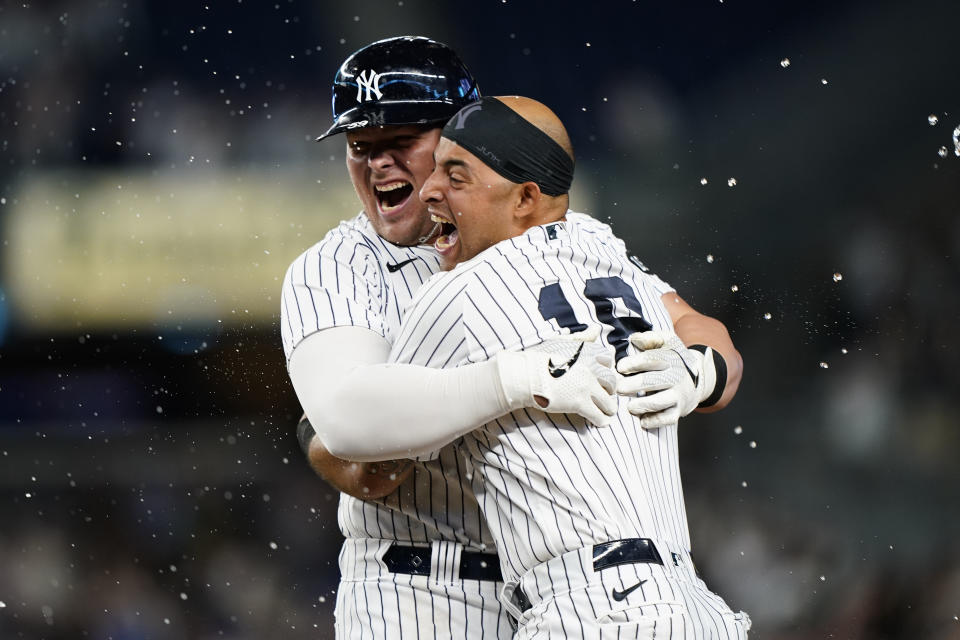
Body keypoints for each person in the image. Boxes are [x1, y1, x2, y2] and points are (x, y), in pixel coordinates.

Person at [281, 36, 619, 640]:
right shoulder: (334, 268)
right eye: (362, 146)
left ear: (461, 141)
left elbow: (691, 327)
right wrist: (512, 380)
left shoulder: (546, 229)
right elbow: (349, 434)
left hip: (567, 590)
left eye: (402, 141)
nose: (378, 163)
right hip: (421, 588)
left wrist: (700, 366)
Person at [381, 95, 751, 638]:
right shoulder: (598, 246)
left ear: (526, 197)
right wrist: (702, 372)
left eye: (454, 176)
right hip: (693, 608)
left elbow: (363, 463)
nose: (429, 188)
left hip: (588, 610)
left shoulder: (458, 293)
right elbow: (709, 337)